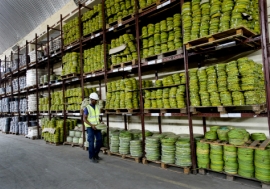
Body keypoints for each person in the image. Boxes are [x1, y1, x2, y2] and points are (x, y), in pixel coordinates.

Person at [83, 92, 102, 163]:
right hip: (90, 127)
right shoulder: (87, 108)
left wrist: (100, 122)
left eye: (96, 100)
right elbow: (84, 119)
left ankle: (96, 154)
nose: (96, 101)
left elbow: (97, 117)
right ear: (91, 99)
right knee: (91, 142)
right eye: (95, 100)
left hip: (97, 126)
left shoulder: (97, 107)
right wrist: (91, 125)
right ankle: (92, 156)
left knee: (99, 140)